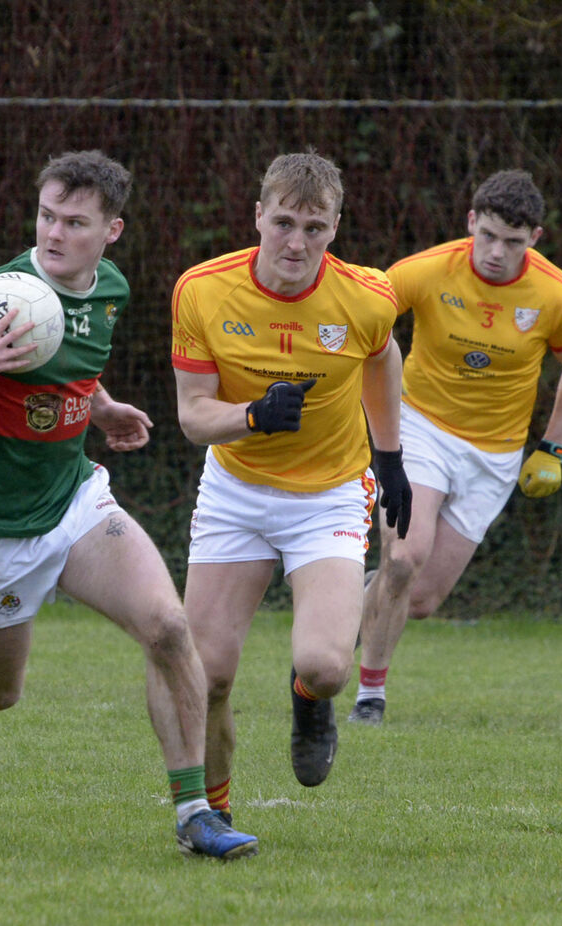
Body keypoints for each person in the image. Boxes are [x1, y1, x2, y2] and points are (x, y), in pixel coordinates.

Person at [0, 150, 258, 860]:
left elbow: (74, 361)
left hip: (73, 498)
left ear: (112, 231)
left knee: (167, 627)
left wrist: (98, 409)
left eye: (74, 221)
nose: (54, 232)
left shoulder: (111, 290)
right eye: (46, 216)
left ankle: (196, 812)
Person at [170, 152, 411, 823]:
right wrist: (250, 417)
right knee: (208, 675)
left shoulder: (366, 296)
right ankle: (211, 814)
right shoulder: (202, 289)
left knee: (328, 665)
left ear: (336, 226)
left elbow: (382, 355)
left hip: (329, 495)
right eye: (283, 223)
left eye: (315, 226)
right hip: (236, 492)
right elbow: (192, 416)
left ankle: (310, 704)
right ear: (257, 216)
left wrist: (388, 459)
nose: (296, 242)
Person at [350, 169, 562, 726]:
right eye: (487, 235)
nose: (495, 252)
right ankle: (370, 696)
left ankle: (338, 607)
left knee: (419, 598)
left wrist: (552, 447)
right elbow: (363, 324)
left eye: (512, 242)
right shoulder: (426, 270)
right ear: (470, 223)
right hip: (420, 428)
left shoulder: (557, 295)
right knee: (405, 557)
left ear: (535, 238)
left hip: (496, 457)